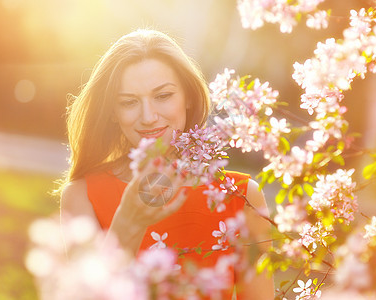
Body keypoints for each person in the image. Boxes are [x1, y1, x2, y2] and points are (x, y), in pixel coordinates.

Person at [60, 29, 274, 299]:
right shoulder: (82, 195)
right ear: (112, 112)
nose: (148, 117)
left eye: (163, 96)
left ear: (189, 98)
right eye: (129, 102)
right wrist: (127, 224)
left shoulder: (240, 195)